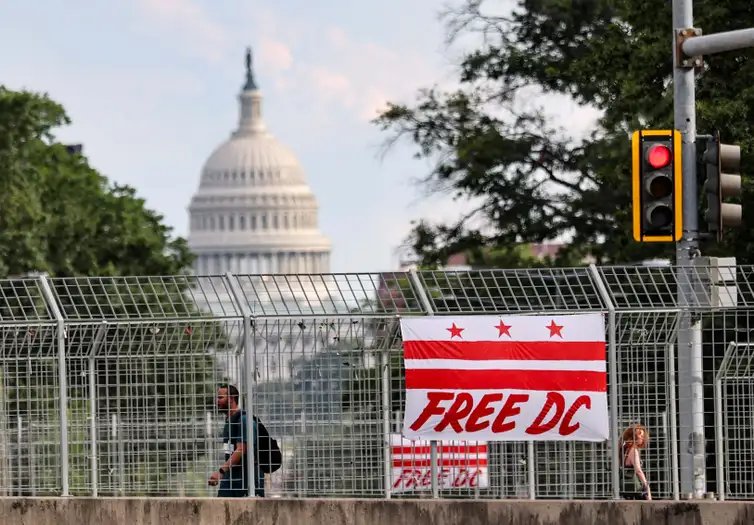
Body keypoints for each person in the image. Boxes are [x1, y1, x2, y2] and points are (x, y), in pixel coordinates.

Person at [208, 383, 265, 497]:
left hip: (245, 480)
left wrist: (221, 471)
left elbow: (241, 449)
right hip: (231, 478)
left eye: (220, 397)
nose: (216, 401)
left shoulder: (244, 420)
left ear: (231, 399)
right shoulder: (230, 421)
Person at [621, 423, 651, 500]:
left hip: (627, 485)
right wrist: (646, 485)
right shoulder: (633, 450)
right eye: (640, 435)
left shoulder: (626, 450)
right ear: (633, 436)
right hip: (636, 486)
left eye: (643, 436)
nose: (642, 438)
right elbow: (638, 470)